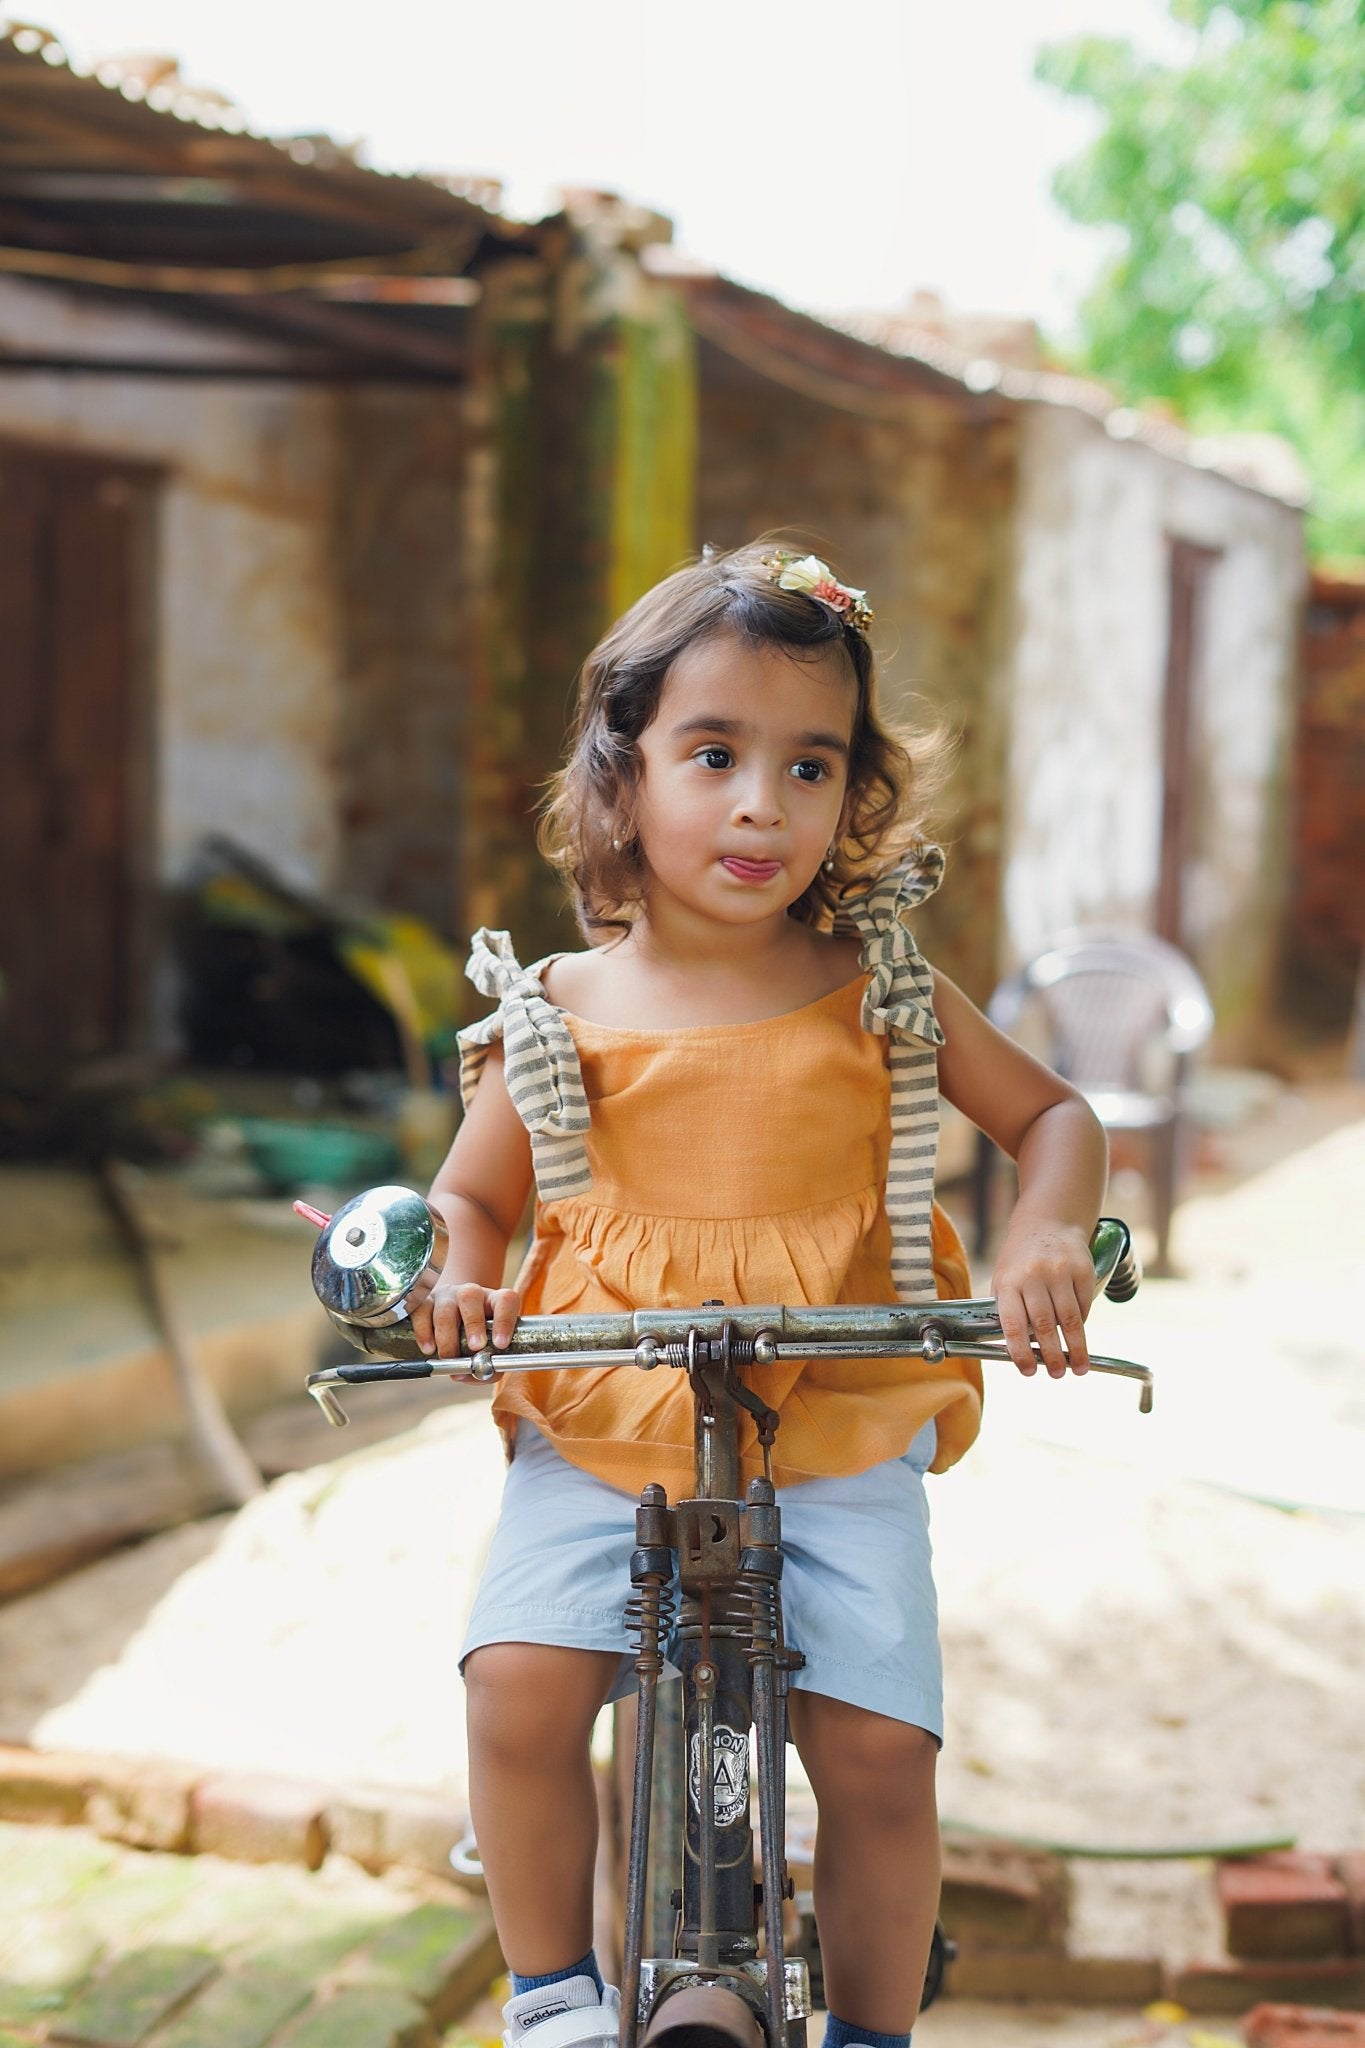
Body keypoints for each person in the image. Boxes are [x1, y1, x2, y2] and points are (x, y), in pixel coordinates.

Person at [412, 540, 1107, 2048]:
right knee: (516, 1687)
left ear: (851, 795)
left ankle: (870, 2030)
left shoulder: (881, 989)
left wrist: (1044, 1239)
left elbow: (1055, 1119)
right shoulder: (561, 1011)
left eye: (810, 767)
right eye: (712, 754)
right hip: (603, 1408)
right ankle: (552, 1997)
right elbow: (473, 1196)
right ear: (623, 772)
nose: (756, 806)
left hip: (843, 1412)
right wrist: (463, 1278)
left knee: (873, 1753)